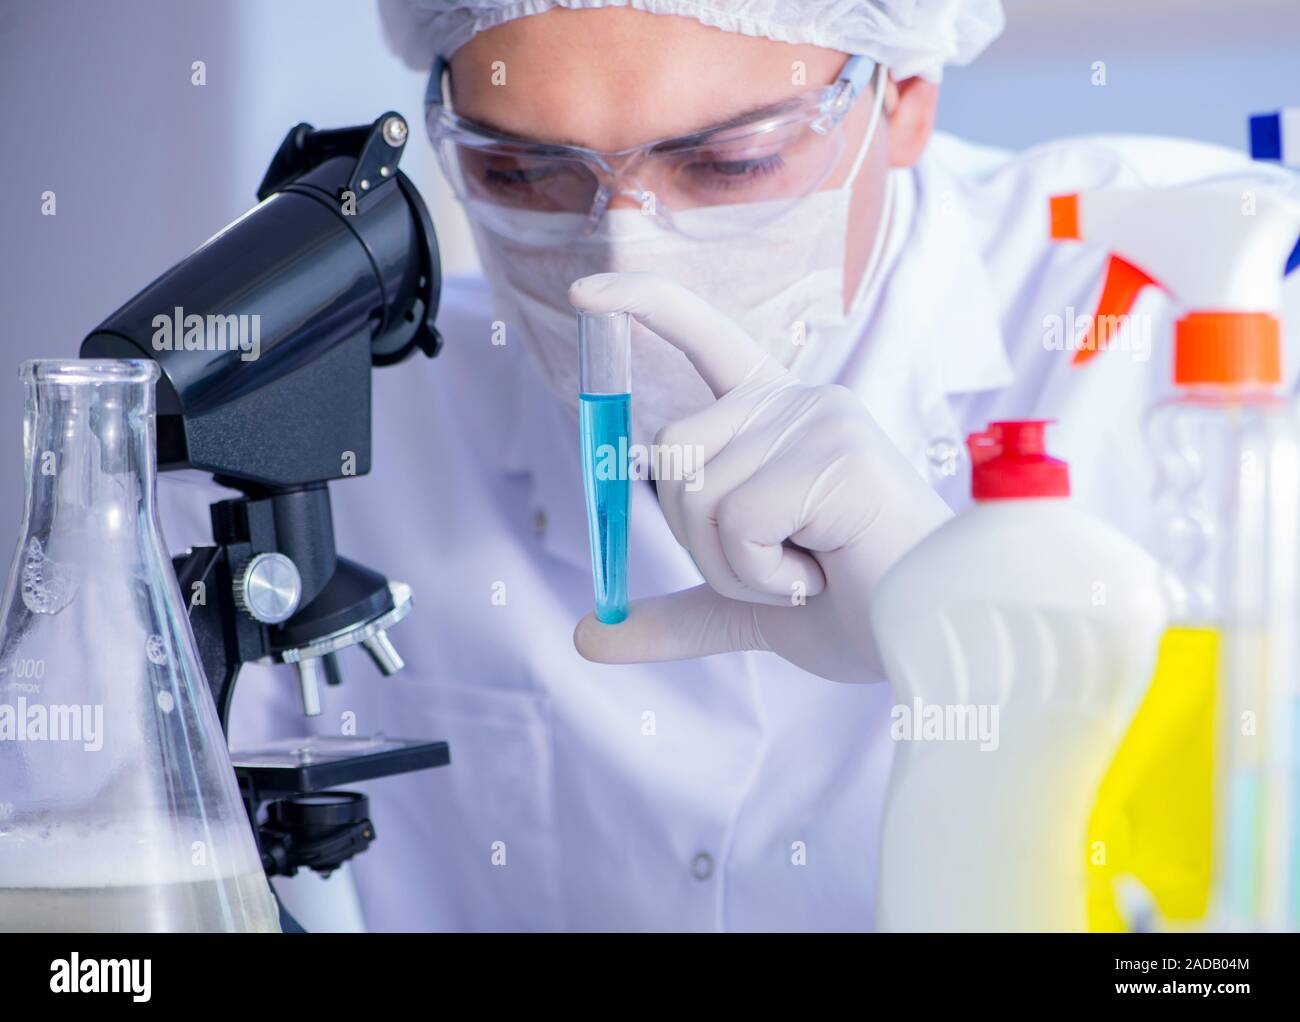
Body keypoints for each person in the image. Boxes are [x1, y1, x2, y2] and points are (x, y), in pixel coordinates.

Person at [166, 0, 1298, 930]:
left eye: (730, 162)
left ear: (903, 96)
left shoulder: (1201, 318)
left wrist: (963, 652)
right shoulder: (356, 423)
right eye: (522, 174)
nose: (621, 252)